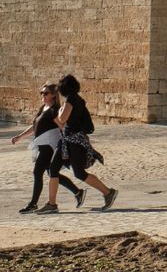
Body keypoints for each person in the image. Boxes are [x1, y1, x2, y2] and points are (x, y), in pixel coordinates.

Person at [39, 74, 116, 212]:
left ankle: (108, 192)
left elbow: (62, 119)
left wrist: (61, 108)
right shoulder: (75, 99)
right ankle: (52, 204)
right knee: (53, 169)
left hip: (74, 142)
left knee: (79, 173)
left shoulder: (71, 101)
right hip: (67, 141)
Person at [10, 82, 82, 213]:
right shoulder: (44, 108)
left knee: (37, 172)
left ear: (54, 95)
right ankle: (78, 192)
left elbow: (63, 126)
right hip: (41, 146)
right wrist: (20, 137)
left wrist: (71, 141)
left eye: (46, 93)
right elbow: (35, 127)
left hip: (49, 147)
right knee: (51, 173)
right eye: (42, 93)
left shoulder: (55, 111)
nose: (43, 95)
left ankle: (33, 204)